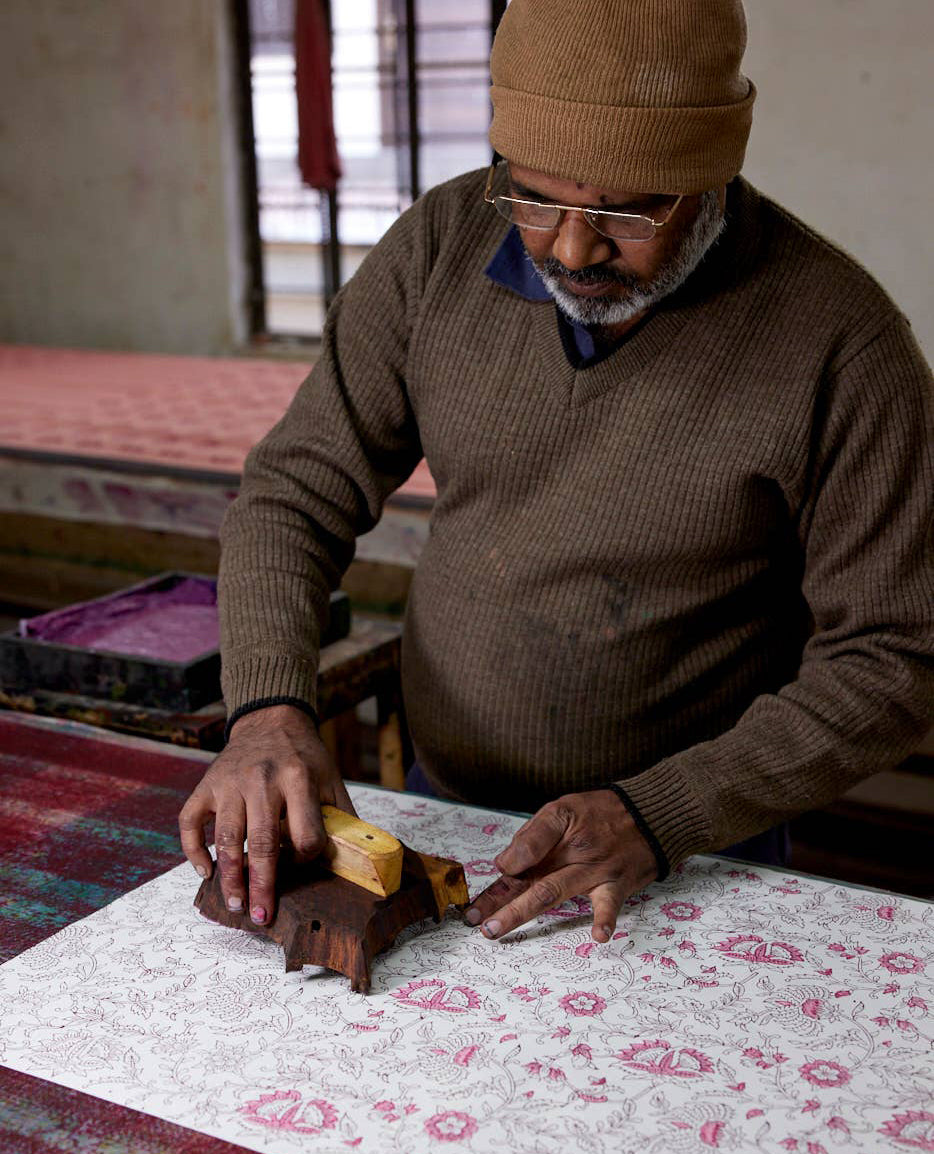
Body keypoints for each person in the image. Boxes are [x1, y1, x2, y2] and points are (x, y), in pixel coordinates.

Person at [179, 0, 933, 947]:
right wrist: (266, 708)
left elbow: (896, 657)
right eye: (532, 198)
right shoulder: (438, 248)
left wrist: (662, 813)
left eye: (626, 208)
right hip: (444, 808)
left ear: (714, 168)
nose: (573, 250)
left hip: (689, 852)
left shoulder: (842, 345)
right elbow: (294, 493)